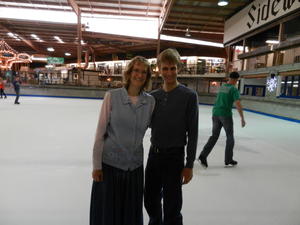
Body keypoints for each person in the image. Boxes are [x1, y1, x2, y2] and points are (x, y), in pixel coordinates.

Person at [90, 56, 155, 225]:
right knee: (109, 212)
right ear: (129, 72)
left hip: (134, 167)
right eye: (136, 70)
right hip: (110, 166)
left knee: (130, 214)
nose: (139, 75)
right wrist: (97, 165)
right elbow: (100, 132)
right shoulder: (112, 96)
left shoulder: (150, 102)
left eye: (143, 72)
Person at [144, 48, 199, 225]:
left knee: (172, 204)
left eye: (172, 68)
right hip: (155, 155)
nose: (169, 73)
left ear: (179, 69)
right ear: (159, 69)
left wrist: (189, 164)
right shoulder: (153, 97)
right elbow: (143, 125)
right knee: (150, 199)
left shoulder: (189, 96)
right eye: (165, 68)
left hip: (174, 157)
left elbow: (193, 132)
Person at [198, 71, 246, 168]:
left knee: (214, 136)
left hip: (215, 113)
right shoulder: (234, 89)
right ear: (236, 80)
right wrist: (242, 118)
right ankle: (228, 159)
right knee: (230, 137)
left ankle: (203, 155)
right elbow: (238, 104)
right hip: (225, 115)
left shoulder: (222, 87)